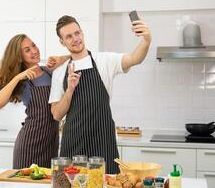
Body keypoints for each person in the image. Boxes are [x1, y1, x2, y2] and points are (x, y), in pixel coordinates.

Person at [49, 15, 151, 174]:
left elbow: (134, 58)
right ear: (62, 42)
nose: (75, 39)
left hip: (103, 141)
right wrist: (70, 89)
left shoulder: (104, 60)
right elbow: (56, 114)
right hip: (73, 143)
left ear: (82, 33)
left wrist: (146, 40)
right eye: (68, 36)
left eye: (77, 33)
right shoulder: (60, 71)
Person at [0, 34, 68, 168]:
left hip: (51, 143)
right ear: (19, 57)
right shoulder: (23, 79)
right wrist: (17, 78)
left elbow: (78, 57)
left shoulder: (49, 71)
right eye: (27, 50)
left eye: (33, 45)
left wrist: (62, 58)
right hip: (29, 145)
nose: (34, 50)